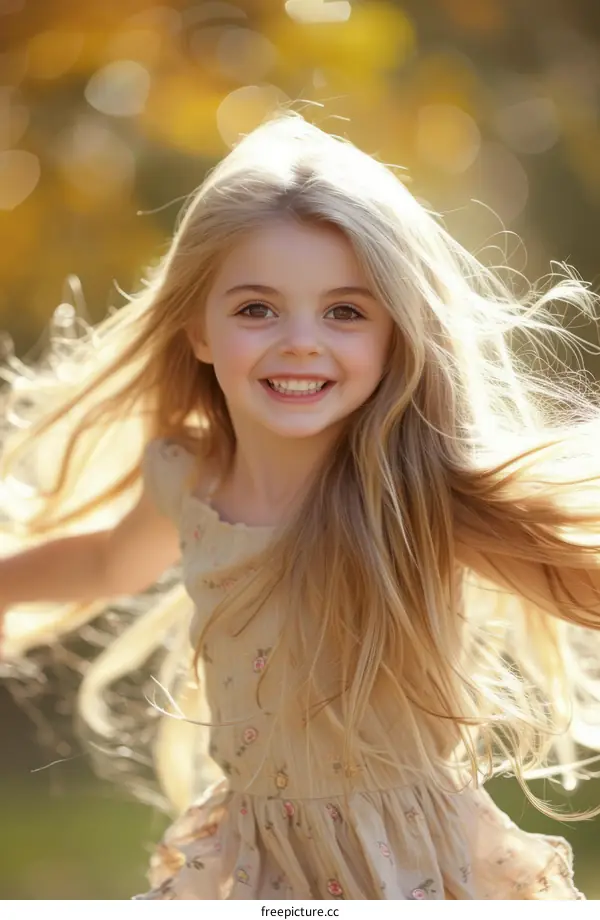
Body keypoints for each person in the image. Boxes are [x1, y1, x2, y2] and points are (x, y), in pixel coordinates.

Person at [1, 111, 599, 901]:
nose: (301, 342)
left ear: (398, 334)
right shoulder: (188, 476)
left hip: (408, 873)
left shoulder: (418, 495)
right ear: (199, 330)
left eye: (346, 312)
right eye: (257, 309)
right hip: (260, 866)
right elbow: (108, 560)